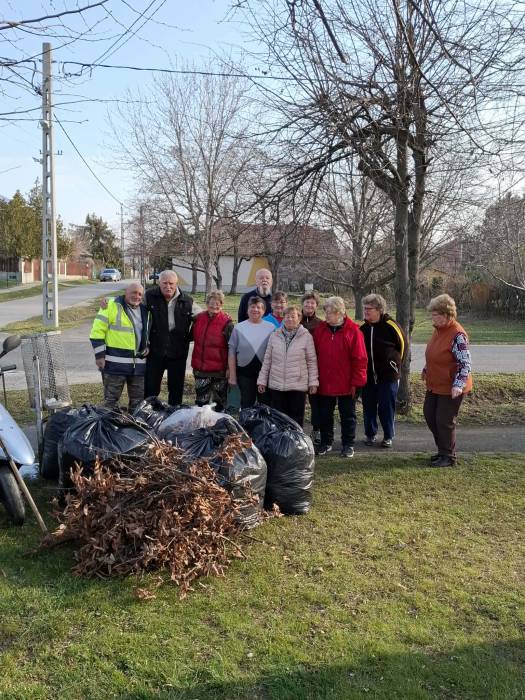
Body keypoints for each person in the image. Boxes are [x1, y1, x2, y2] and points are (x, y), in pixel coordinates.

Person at [313, 296, 368, 458]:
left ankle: (348, 444)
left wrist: (357, 383)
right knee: (325, 415)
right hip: (325, 381)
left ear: (339, 313)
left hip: (347, 383)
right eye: (326, 312)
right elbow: (313, 355)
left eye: (329, 312)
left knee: (348, 416)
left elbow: (360, 359)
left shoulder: (353, 331)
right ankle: (326, 442)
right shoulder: (320, 330)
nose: (326, 316)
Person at [422, 294, 472, 467]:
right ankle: (443, 450)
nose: (432, 317)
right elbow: (435, 354)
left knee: (444, 421)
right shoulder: (439, 330)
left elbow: (465, 363)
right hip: (435, 383)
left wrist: (458, 385)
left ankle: (449, 456)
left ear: (446, 314)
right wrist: (427, 369)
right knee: (430, 415)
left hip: (451, 386)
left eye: (435, 314)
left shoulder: (457, 334)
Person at [90, 281, 150, 412]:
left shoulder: (146, 310)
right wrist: (99, 356)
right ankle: (108, 425)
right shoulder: (111, 305)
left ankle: (134, 425)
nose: (137, 296)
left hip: (138, 366)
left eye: (140, 294)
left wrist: (148, 346)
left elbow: (148, 333)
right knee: (110, 403)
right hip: (114, 365)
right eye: (134, 292)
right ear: (125, 293)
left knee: (138, 404)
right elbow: (97, 331)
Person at [257, 305, 318, 426]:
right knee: (278, 419)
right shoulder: (274, 335)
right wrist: (262, 380)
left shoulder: (306, 336)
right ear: (283, 318)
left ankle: (296, 438)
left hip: (297, 386)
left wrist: (313, 382)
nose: (289, 319)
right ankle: (280, 438)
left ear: (299, 318)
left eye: (293, 316)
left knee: (296, 420)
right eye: (287, 316)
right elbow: (267, 360)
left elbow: (311, 361)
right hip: (277, 385)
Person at [359, 293, 406, 448]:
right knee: (369, 406)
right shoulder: (363, 328)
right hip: (368, 377)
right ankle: (370, 434)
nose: (366, 311)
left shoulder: (391, 326)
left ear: (379, 309)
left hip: (388, 377)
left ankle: (388, 436)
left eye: (369, 309)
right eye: (365, 308)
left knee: (386, 407)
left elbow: (403, 346)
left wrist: (394, 365)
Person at [144, 270, 193, 406]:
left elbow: (201, 317)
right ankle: (149, 412)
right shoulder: (149, 296)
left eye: (171, 283)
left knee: (176, 388)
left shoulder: (188, 300)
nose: (168, 286)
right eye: (164, 283)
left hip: (178, 352)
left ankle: (174, 414)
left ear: (176, 284)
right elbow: (131, 300)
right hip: (155, 351)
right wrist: (111, 302)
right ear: (159, 283)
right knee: (151, 387)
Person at [228, 296, 275, 409]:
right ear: (247, 309)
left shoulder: (271, 328)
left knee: (265, 405)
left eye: (259, 307)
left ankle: (264, 421)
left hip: (265, 374)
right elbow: (231, 352)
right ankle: (246, 421)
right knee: (246, 403)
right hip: (244, 373)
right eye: (252, 307)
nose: (255, 309)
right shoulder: (239, 327)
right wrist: (232, 375)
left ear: (264, 310)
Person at [191, 290, 234, 412]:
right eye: (211, 303)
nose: (214, 306)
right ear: (206, 304)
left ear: (222, 305)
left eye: (218, 303)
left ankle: (218, 422)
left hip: (219, 372)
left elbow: (232, 348)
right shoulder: (198, 319)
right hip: (200, 370)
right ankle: (202, 422)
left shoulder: (227, 323)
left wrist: (229, 369)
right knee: (201, 402)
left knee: (219, 403)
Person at [301, 291, 322, 443]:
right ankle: (297, 431)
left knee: (316, 402)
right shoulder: (295, 320)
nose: (309, 305)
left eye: (312, 303)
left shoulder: (321, 324)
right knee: (298, 402)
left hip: (315, 367)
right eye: (307, 302)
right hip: (297, 367)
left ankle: (316, 430)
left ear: (316, 306)